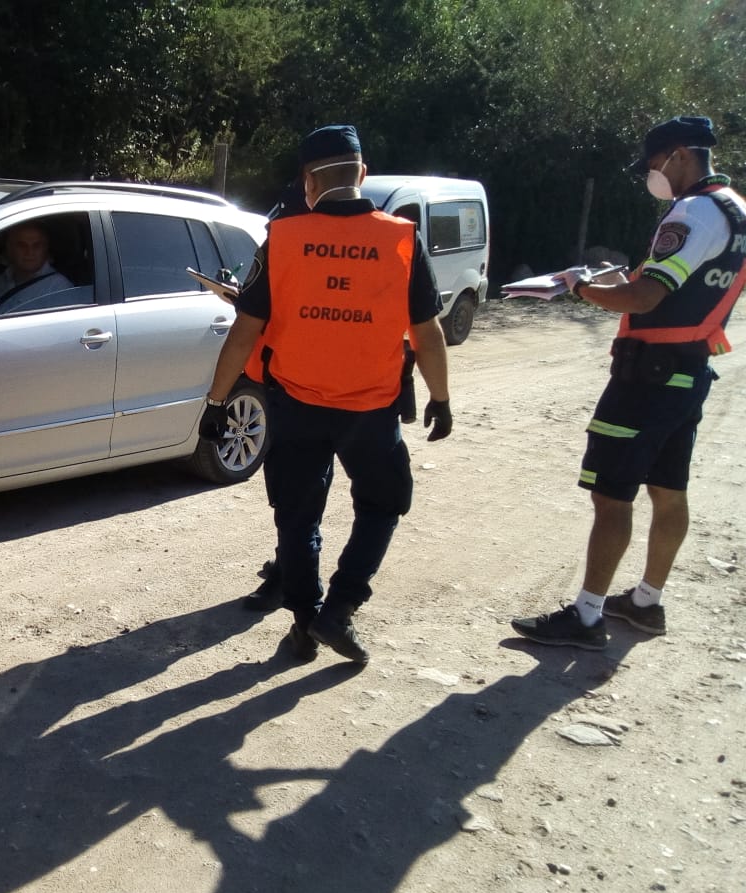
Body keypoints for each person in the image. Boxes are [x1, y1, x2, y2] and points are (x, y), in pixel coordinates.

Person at [201, 123, 453, 664]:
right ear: (363, 173)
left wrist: (217, 403)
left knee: (297, 516)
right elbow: (427, 332)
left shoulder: (284, 238)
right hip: (372, 410)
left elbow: (244, 329)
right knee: (382, 506)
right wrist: (441, 397)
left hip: (296, 406)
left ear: (308, 182)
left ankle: (303, 618)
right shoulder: (402, 239)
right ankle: (339, 610)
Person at [511, 115, 746, 650]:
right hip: (688, 371)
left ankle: (586, 616)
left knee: (612, 494)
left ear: (681, 154)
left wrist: (579, 287)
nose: (651, 175)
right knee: (669, 489)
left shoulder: (693, 211)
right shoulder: (736, 210)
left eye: (655, 164)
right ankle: (646, 602)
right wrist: (620, 280)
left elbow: (644, 299)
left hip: (647, 377)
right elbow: (681, 286)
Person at [0, 221, 73, 312]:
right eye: (22, 245)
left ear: (46, 248)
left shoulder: (59, 288)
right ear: (9, 248)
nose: (29, 252)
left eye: (36, 246)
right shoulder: (2, 279)